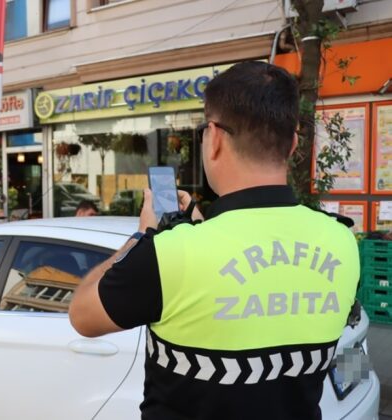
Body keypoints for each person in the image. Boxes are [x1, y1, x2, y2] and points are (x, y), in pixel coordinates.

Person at [68, 61, 360, 420]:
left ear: (215, 138)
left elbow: (83, 315)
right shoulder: (342, 240)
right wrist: (198, 228)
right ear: (294, 144)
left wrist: (142, 236)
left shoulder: (168, 253)